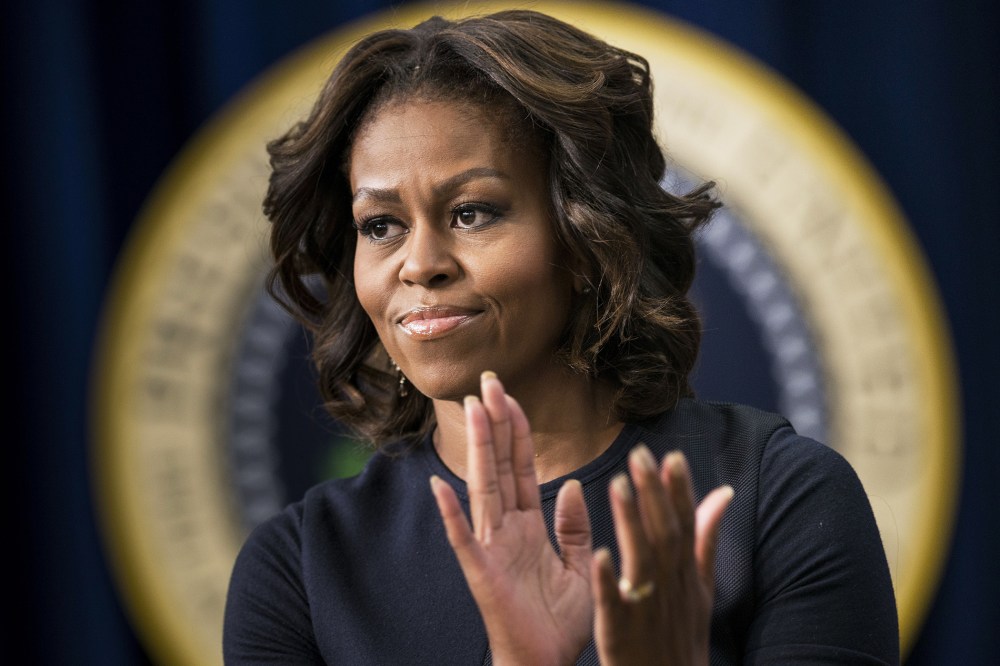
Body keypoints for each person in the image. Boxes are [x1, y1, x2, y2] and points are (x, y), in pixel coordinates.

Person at [223, 9, 899, 665]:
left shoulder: (777, 498)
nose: (419, 262)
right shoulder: (299, 568)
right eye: (380, 226)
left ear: (586, 238)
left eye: (472, 213)